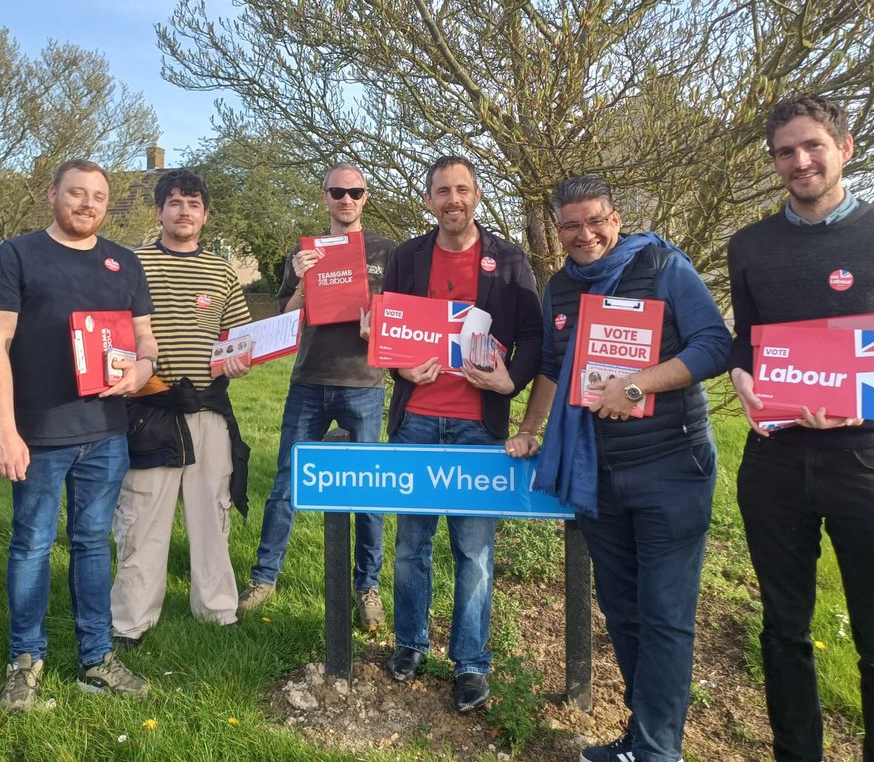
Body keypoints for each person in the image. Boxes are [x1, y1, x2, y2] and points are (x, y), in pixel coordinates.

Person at [728, 93, 874, 762]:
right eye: (785, 151)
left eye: (812, 146)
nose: (799, 161)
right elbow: (744, 341)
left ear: (845, 149)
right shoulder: (749, 245)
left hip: (868, 466)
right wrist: (742, 376)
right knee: (783, 630)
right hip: (774, 463)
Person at [509, 175, 731, 762]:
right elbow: (554, 368)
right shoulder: (559, 287)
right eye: (571, 226)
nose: (585, 235)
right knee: (625, 611)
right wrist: (531, 428)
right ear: (556, 230)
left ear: (616, 216)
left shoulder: (662, 267)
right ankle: (644, 736)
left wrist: (635, 385)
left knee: (665, 615)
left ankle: (659, 751)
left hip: (670, 467)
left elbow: (714, 345)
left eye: (595, 220)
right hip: (597, 471)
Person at [0, 159, 157, 713]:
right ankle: (25, 662)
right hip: (39, 433)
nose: (87, 204)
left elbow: (147, 347)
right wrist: (5, 431)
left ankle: (96, 658)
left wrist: (139, 373)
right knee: (31, 545)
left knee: (91, 543)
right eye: (76, 194)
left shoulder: (124, 262)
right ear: (53, 195)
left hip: (106, 433)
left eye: (98, 197)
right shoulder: (17, 255)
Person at [379, 154, 542, 712]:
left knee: (474, 551)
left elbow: (534, 338)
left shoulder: (509, 260)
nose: (453, 199)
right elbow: (387, 328)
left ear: (477, 196)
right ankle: (409, 643)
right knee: (410, 546)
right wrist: (400, 366)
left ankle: (470, 663)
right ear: (429, 200)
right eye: (443, 191)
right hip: (417, 420)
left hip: (478, 425)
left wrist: (509, 380)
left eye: (463, 189)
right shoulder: (406, 257)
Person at [237, 162, 397, 629]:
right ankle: (265, 578)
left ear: (366, 196)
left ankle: (367, 587)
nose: (346, 199)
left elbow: (406, 316)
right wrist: (305, 282)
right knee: (287, 481)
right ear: (324, 197)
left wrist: (380, 327)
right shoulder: (303, 253)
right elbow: (286, 319)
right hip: (308, 380)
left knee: (368, 491)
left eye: (355, 191)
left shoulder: (390, 252)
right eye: (337, 192)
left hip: (364, 384)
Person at [110, 168, 254, 635]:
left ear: (205, 215)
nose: (184, 211)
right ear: (159, 211)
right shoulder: (132, 264)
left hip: (209, 408)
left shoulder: (222, 270)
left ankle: (216, 609)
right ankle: (131, 621)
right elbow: (114, 333)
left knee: (212, 514)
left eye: (193, 204)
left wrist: (241, 359)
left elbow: (240, 337)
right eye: (174, 202)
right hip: (150, 407)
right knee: (143, 519)